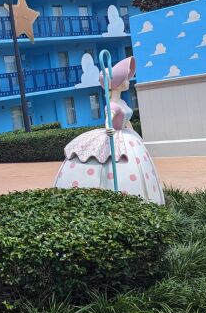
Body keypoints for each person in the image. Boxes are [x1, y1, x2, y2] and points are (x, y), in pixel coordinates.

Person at [53, 56, 164, 205]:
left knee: (138, 166)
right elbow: (109, 120)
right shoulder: (112, 105)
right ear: (116, 84)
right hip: (116, 136)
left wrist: (133, 131)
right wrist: (108, 128)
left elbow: (126, 120)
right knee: (114, 163)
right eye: (124, 79)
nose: (128, 81)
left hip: (128, 137)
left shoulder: (122, 102)